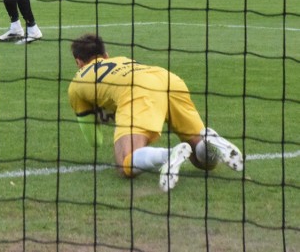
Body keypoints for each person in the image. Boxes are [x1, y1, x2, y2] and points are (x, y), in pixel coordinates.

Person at [67, 33, 244, 192]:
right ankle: (210, 141)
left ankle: (169, 154)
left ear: (78, 63)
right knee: (202, 162)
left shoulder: (77, 84)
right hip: (167, 79)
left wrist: (103, 115)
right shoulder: (120, 59)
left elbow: (94, 141)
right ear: (106, 55)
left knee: (125, 163)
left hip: (138, 90)